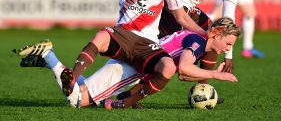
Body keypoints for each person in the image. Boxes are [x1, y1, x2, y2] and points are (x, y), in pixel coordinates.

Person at [29, 0, 206, 109]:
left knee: (78, 100)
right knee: (102, 35)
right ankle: (72, 76)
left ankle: (51, 60)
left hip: (146, 45)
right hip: (122, 35)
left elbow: (181, 17)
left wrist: (204, 33)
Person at [13, 17, 240, 109]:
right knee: (78, 100)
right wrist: (218, 75)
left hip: (137, 56)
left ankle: (49, 63)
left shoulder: (195, 41)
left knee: (86, 91)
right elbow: (183, 68)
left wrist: (209, 74)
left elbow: (182, 75)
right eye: (228, 43)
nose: (228, 49)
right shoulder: (197, 42)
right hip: (135, 68)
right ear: (217, 33)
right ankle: (49, 57)